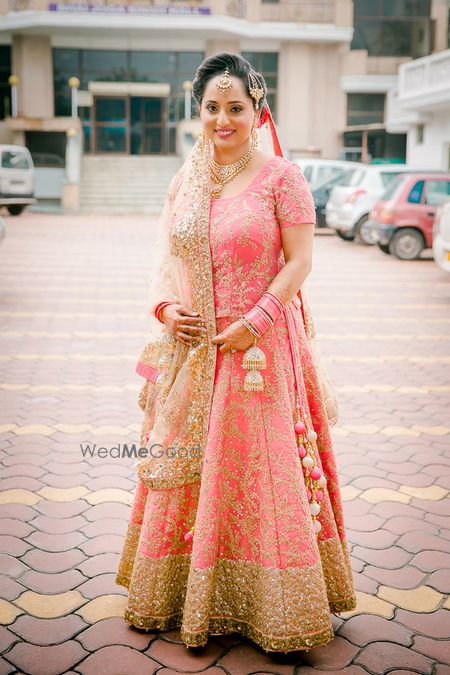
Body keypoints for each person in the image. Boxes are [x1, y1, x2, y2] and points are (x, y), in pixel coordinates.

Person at [115, 52, 357, 653]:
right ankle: (180, 592)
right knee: (189, 471)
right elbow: (164, 259)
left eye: (235, 108)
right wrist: (167, 311)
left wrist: (259, 319)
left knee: (261, 473)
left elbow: (301, 261)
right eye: (211, 108)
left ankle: (275, 606)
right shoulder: (186, 179)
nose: (223, 120)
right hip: (195, 352)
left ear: (256, 110)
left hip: (258, 355)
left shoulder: (282, 177)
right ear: (198, 111)